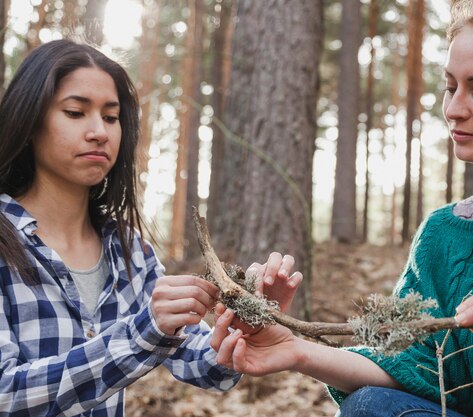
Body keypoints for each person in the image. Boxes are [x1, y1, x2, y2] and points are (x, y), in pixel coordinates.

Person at [209, 1, 473, 416]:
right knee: (368, 405)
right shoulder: (441, 234)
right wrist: (295, 350)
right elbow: (411, 365)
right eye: (450, 87)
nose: (454, 109)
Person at [0, 39, 302, 416]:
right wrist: (143, 333)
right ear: (29, 121)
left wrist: (246, 322)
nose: (100, 132)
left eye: (111, 117)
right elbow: (6, 393)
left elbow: (202, 366)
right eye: (76, 112)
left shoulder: (129, 250)